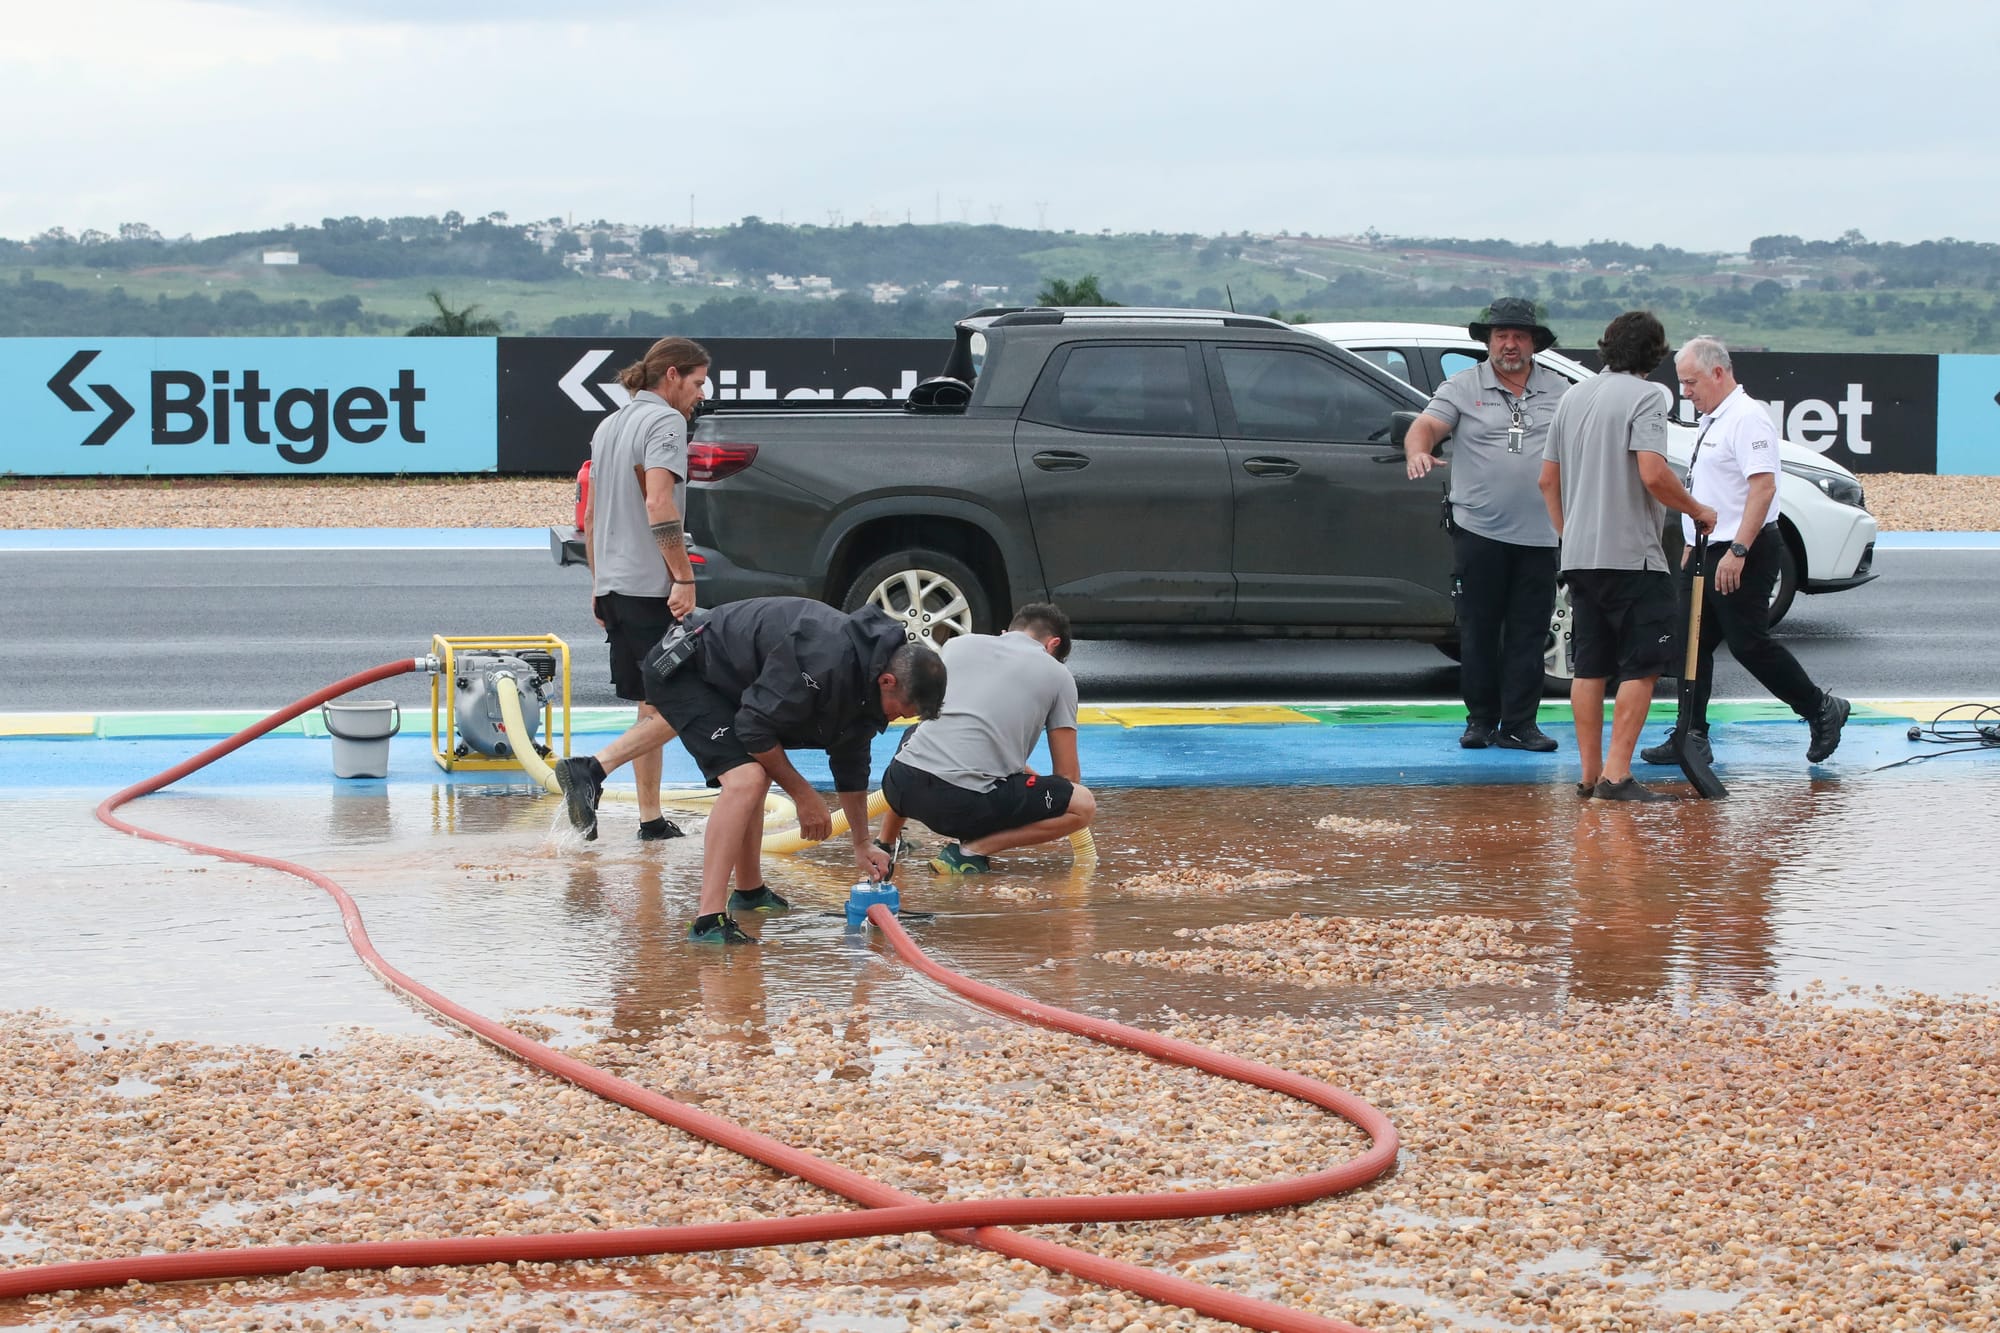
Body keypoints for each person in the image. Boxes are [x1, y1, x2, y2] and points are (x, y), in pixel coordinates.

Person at [553, 597, 947, 944]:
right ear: (887, 680)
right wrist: (804, 796)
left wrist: (862, 842)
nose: (895, 718)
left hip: (730, 681)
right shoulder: (824, 658)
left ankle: (749, 890)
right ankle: (707, 920)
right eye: (901, 711)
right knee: (746, 779)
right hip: (684, 668)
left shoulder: (867, 685)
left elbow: (853, 763)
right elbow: (755, 728)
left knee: (753, 771)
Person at [1638, 337, 1850, 768]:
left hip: (1741, 551)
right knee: (1691, 645)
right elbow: (1713, 487)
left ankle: (1820, 708)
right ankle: (1690, 736)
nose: (1685, 392)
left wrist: (1738, 548)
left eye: (1691, 382)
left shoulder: (1748, 418)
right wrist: (1696, 543)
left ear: (1718, 373)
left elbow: (1763, 487)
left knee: (1748, 644)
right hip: (1706, 548)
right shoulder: (1713, 417)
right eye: (1681, 383)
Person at [1539, 311, 1717, 802]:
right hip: (1633, 557)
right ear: (1654, 354)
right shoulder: (1645, 398)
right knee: (1642, 665)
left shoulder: (1572, 397)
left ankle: (1590, 774)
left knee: (1590, 666)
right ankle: (1618, 777)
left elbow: (1547, 480)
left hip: (1579, 556)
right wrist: (1698, 509)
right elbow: (1654, 474)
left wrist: (1568, 531)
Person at [1403, 297, 1569, 753]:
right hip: (1478, 529)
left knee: (1529, 632)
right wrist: (1417, 450)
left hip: (1539, 533)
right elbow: (1424, 427)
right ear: (1488, 341)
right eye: (1502, 336)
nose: (1510, 344)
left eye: (1518, 336)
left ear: (1533, 343)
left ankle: (1520, 724)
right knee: (1478, 629)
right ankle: (1480, 720)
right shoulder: (1461, 386)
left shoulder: (1560, 390)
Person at [576, 335, 710, 842]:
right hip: (650, 587)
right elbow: (659, 503)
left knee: (651, 705)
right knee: (690, 702)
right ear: (672, 375)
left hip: (614, 584)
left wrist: (597, 583)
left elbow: (590, 515)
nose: (701, 393)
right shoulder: (664, 422)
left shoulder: (609, 425)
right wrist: (683, 575)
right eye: (697, 382)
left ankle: (650, 818)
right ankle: (591, 769)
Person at [876, 602, 1097, 875]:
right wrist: (1041, 793)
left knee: (919, 733)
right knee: (1083, 804)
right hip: (962, 807)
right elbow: (1067, 776)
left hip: (899, 784)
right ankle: (970, 852)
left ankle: (884, 843)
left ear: (1006, 632)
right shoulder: (1059, 675)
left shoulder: (957, 645)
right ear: (1053, 645)